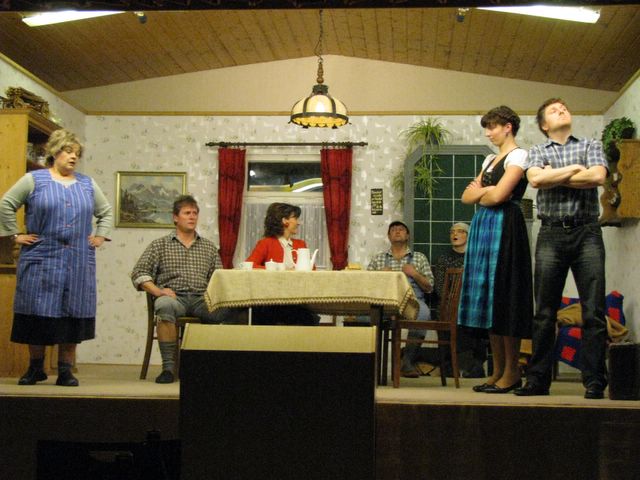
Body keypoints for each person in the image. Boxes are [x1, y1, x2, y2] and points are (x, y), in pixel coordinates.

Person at [0, 129, 112, 387]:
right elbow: (6, 204)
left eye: (77, 153)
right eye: (68, 151)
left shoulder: (87, 184)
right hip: (41, 257)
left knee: (72, 314)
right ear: (54, 152)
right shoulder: (33, 180)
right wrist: (15, 235)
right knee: (36, 312)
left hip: (77, 260)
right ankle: (35, 368)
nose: (73, 157)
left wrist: (100, 236)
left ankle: (65, 370)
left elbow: (105, 211)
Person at [515, 98, 608, 399]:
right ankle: (537, 381)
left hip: (587, 231)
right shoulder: (537, 151)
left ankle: (594, 381)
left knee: (594, 311)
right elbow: (535, 179)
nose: (562, 110)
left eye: (564, 107)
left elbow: (597, 176)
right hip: (551, 233)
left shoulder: (591, 144)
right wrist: (575, 169)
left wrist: (554, 175)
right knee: (544, 312)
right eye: (554, 110)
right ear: (544, 125)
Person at [458, 105, 533, 394]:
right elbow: (467, 197)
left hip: (506, 227)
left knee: (504, 295)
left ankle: (512, 371)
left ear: (508, 127)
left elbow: (501, 195)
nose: (488, 133)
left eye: (492, 127)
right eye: (486, 128)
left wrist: (485, 193)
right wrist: (485, 193)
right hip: (484, 227)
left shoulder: (519, 155)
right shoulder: (490, 159)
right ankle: (498, 370)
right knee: (489, 298)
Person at [131, 194, 236, 384]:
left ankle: (211, 366)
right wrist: (158, 292)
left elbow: (218, 278)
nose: (192, 216)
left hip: (201, 299)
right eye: (187, 213)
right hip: (174, 298)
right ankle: (168, 369)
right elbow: (139, 273)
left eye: (195, 213)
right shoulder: (159, 245)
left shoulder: (209, 247)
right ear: (175, 217)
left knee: (235, 310)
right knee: (164, 305)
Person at [367, 220, 434, 378]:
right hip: (385, 302)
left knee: (423, 315)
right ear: (388, 236)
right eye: (393, 230)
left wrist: (414, 274)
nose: (397, 231)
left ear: (408, 235)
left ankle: (407, 362)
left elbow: (429, 287)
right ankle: (370, 363)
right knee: (362, 317)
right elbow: (367, 285)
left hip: (413, 301)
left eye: (401, 229)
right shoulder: (378, 259)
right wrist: (378, 276)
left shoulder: (419, 258)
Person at [245, 202, 319, 325]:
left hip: (297, 299)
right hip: (271, 300)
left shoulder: (301, 244)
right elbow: (249, 265)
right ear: (285, 221)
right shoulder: (266, 243)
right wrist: (279, 269)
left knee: (306, 318)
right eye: (295, 218)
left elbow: (312, 270)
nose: (298, 222)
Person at [431, 222, 487, 378]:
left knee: (478, 314)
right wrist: (455, 300)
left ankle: (476, 365)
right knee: (449, 312)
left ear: (469, 236)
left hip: (472, 303)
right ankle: (448, 366)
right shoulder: (443, 259)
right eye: (452, 232)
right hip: (449, 303)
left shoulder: (476, 258)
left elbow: (482, 284)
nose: (455, 234)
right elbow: (440, 287)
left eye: (460, 231)